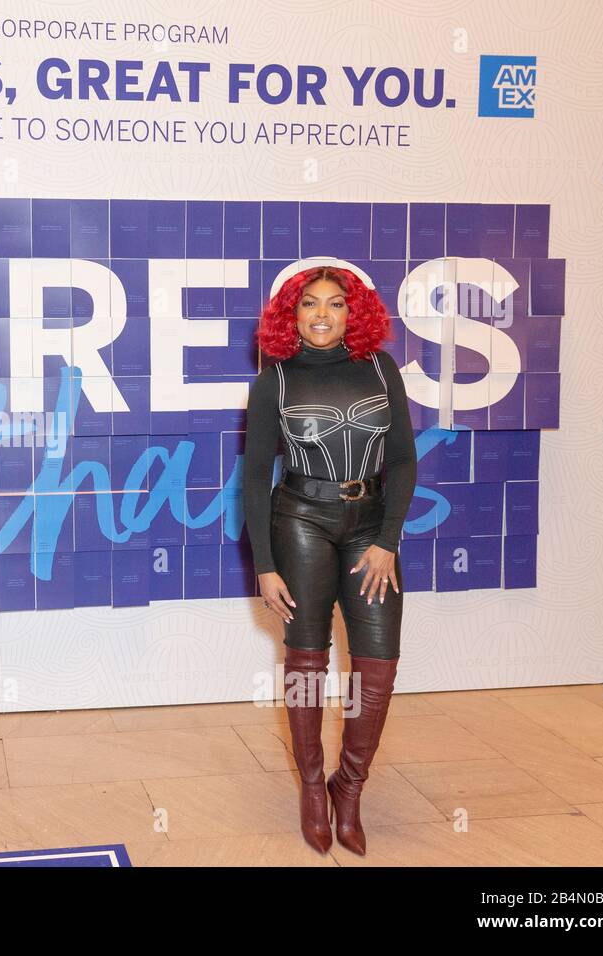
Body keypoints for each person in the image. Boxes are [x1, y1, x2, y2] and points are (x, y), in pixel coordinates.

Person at [242, 265, 417, 856]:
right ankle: (313, 786)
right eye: (309, 304)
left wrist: (387, 540)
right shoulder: (275, 382)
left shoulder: (380, 369)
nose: (322, 314)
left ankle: (351, 784)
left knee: (378, 665)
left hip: (371, 531)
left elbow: (402, 462)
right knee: (305, 665)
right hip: (299, 523)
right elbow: (253, 478)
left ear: (354, 313)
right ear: (290, 316)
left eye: (336, 304)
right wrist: (264, 564)